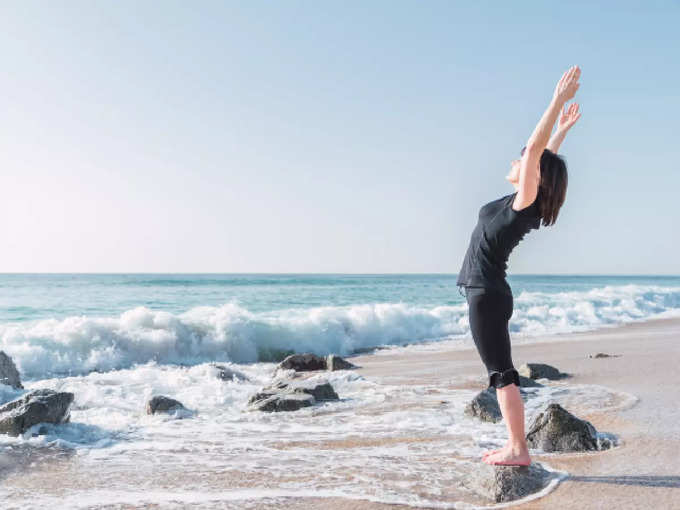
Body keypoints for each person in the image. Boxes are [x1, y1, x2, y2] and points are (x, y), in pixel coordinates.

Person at [456, 65, 582, 466]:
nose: (519, 158)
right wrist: (560, 133)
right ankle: (515, 445)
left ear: (534, 177)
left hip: (487, 296)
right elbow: (541, 157)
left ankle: (518, 449)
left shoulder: (522, 205)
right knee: (501, 371)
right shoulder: (519, 203)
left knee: (501, 373)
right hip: (490, 294)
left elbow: (534, 152)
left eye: (525, 160)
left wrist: (555, 103)